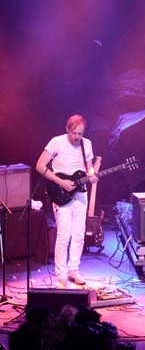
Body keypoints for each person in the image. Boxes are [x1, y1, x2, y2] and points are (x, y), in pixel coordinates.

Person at [36, 114, 98, 288]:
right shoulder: (56, 142)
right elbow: (40, 165)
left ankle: (74, 270)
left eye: (80, 133)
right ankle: (61, 276)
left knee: (78, 234)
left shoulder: (87, 144)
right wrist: (60, 181)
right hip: (61, 193)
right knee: (64, 236)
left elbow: (89, 167)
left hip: (80, 194)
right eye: (74, 133)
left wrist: (92, 175)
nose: (77, 137)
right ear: (67, 129)